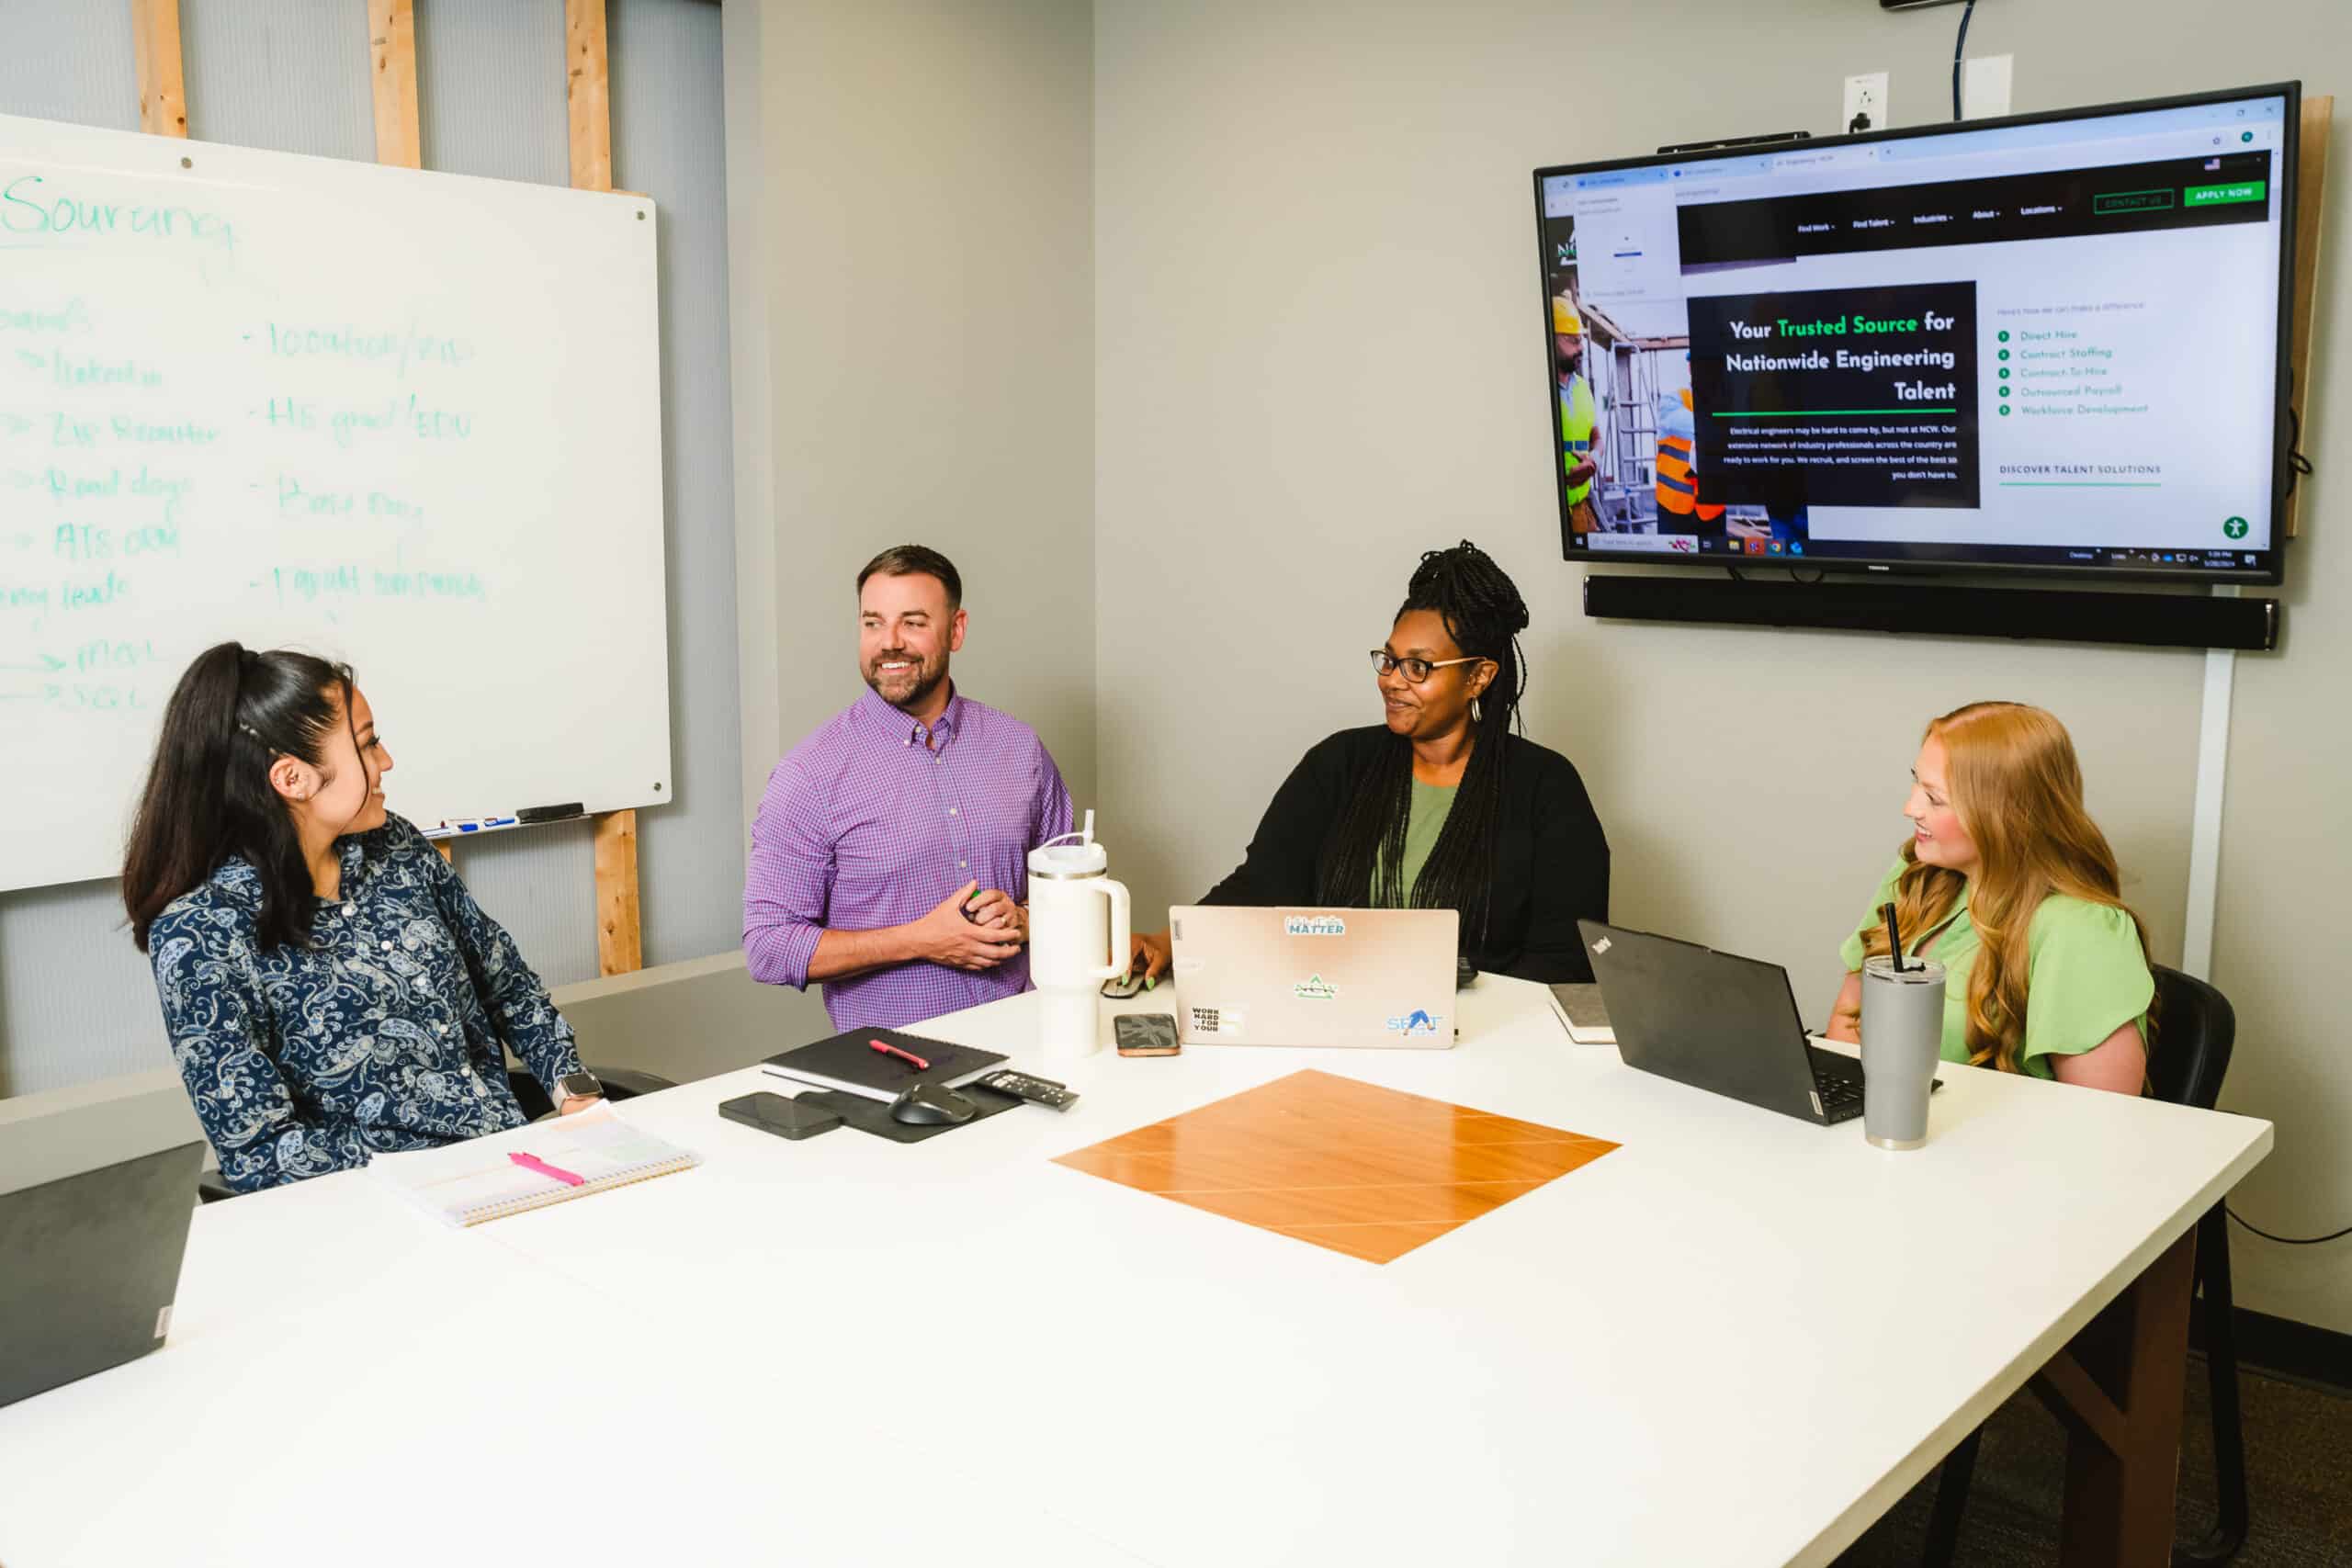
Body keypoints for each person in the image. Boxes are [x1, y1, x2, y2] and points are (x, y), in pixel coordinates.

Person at [124, 645, 600, 1195]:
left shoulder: (395, 845)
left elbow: (507, 986)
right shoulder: (200, 934)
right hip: (377, 1216)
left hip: (513, 1169)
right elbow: (260, 1154)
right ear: (292, 778)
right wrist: (439, 1171)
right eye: (368, 743)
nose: (387, 760)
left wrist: (574, 1089)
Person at [1127, 541, 1609, 985]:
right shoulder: (1339, 764)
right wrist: (1171, 938)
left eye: (1418, 667)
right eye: (1389, 660)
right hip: (1334, 1014)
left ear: (1478, 677)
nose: (1392, 681)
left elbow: (1566, 961)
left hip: (1490, 1045)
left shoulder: (1546, 788)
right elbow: (1262, 887)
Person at [744, 544, 1073, 1030]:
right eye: (873, 623)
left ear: (956, 630)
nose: (889, 642)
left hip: (1033, 1037)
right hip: (894, 1069)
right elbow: (768, 947)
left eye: (913, 622)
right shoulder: (810, 774)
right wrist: (920, 940)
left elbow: (1075, 897)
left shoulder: (1019, 749)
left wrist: (1024, 920)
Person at [1825, 701, 2154, 1095]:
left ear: (2005, 813)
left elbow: (2104, 1117)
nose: (1910, 808)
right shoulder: (1917, 872)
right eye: (1916, 783)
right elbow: (1848, 1029)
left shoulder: (2081, 930)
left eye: (1935, 798)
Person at [1554, 295, 1600, 535]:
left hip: (1581, 510)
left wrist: (1594, 460)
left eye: (1580, 340)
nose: (1580, 347)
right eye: (1573, 340)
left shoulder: (1583, 388)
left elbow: (1596, 435)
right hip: (1550, 514)